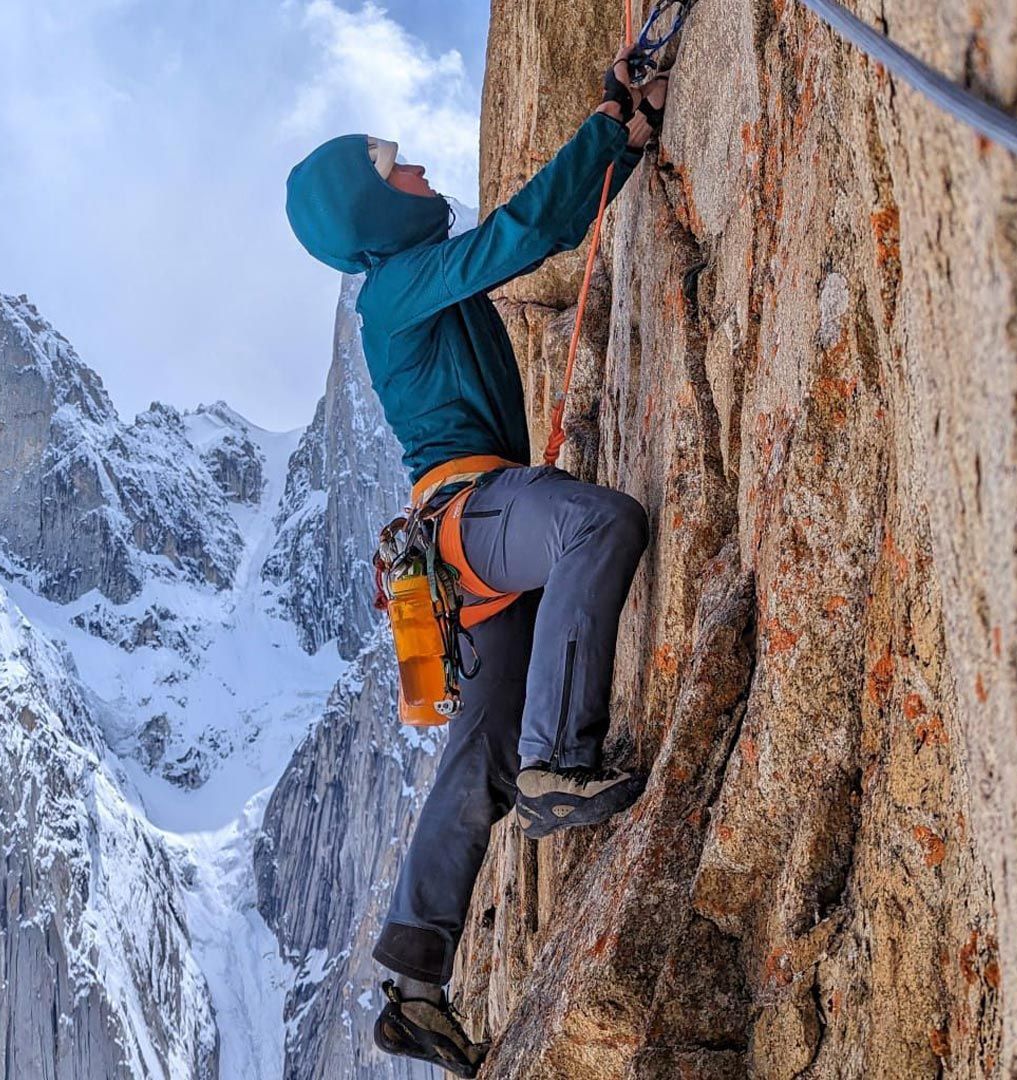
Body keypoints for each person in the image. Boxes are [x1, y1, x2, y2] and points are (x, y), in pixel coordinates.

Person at [285, 45, 667, 1077]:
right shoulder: (393, 287)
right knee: (597, 525)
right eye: (394, 168)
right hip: (473, 511)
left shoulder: (399, 286)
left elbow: (521, 232)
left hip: (456, 551)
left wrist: (620, 146)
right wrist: (610, 132)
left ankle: (414, 981)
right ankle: (559, 761)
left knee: (471, 761)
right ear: (370, 211)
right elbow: (519, 237)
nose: (416, 171)